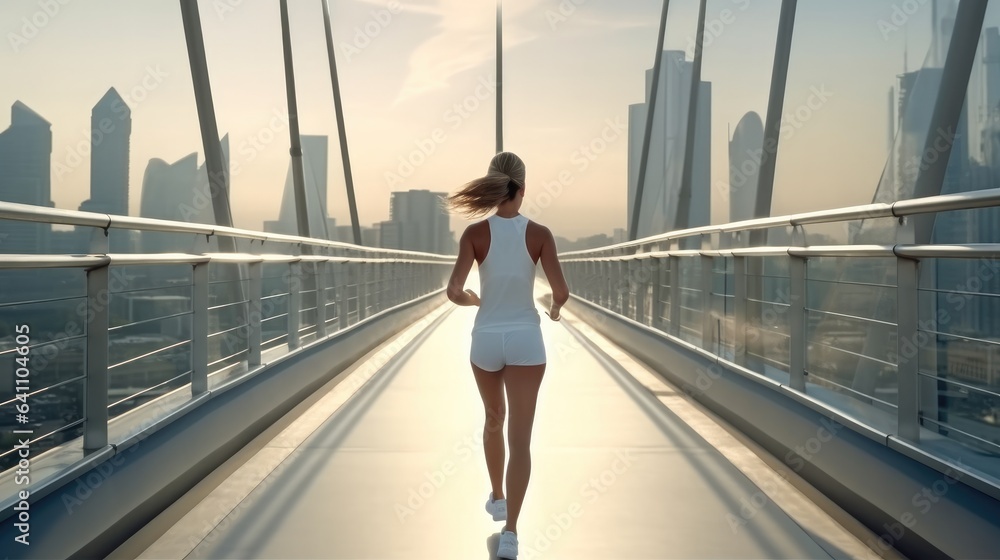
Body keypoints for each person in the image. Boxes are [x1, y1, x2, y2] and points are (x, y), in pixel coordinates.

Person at [445, 151, 569, 560]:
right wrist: (552, 310)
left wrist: (473, 300)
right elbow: (561, 291)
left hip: (485, 340)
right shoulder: (540, 234)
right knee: (521, 439)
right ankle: (511, 533)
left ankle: (497, 496)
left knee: (493, 419)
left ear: (493, 184)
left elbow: (454, 291)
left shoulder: (475, 234)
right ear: (523, 187)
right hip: (526, 341)